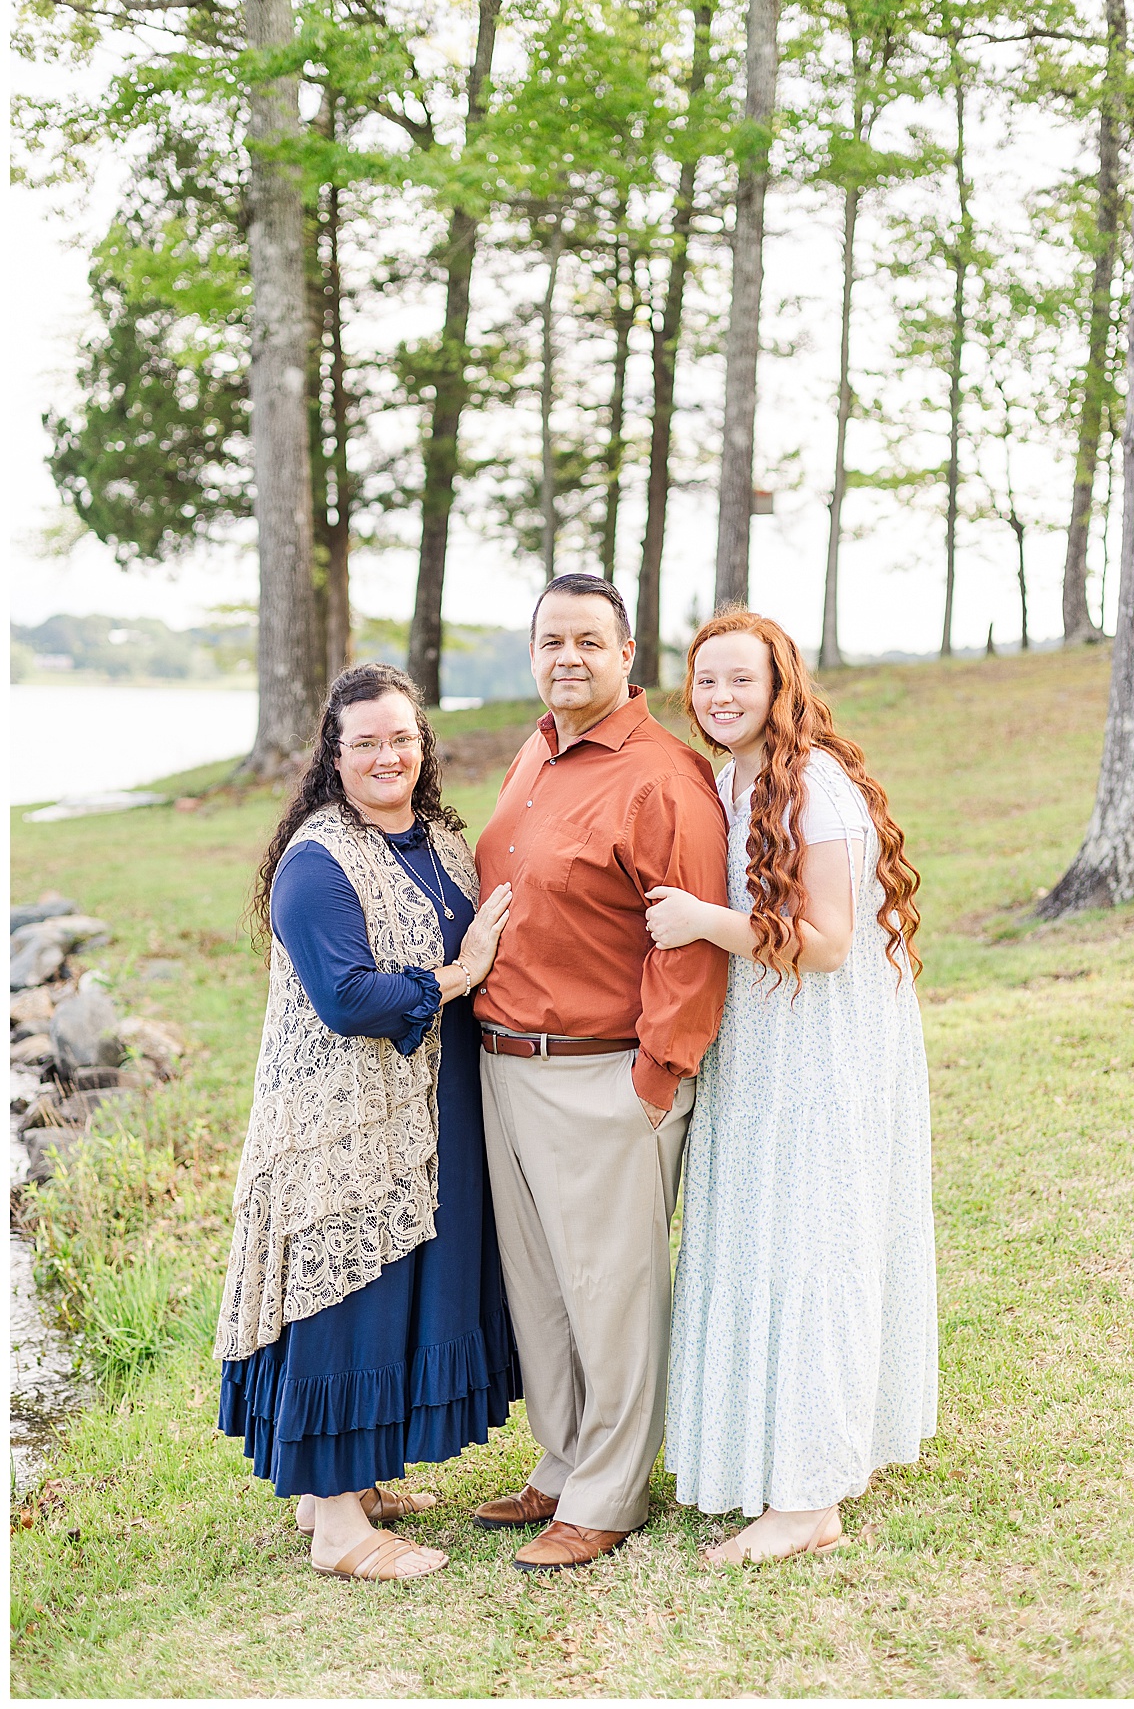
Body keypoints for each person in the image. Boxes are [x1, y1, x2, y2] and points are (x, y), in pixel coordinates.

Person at [214, 663, 518, 1583]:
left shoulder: (439, 841)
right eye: (366, 742)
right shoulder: (317, 860)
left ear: (422, 744)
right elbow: (347, 1000)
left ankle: (343, 1485)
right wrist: (458, 977)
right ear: (334, 756)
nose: (388, 755)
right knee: (344, 1299)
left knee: (395, 1297)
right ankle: (341, 1534)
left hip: (430, 1106)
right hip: (341, 1119)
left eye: (402, 737)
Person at [652, 609, 938, 1564]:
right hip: (760, 1040)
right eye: (704, 680)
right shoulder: (729, 780)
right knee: (760, 1237)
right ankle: (774, 1454)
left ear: (781, 687)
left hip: (818, 1041)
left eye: (740, 679)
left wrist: (702, 919)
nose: (719, 697)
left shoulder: (813, 784)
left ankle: (810, 1500)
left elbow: (827, 946)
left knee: (813, 1244)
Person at [471, 574, 730, 1573]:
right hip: (509, 1064)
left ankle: (610, 1492)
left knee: (611, 1290)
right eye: (550, 639)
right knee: (542, 1287)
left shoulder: (664, 775)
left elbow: (690, 940)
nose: (567, 656)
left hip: (607, 1072)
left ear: (628, 654)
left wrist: (657, 1075)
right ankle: (563, 1457)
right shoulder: (537, 748)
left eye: (588, 640)